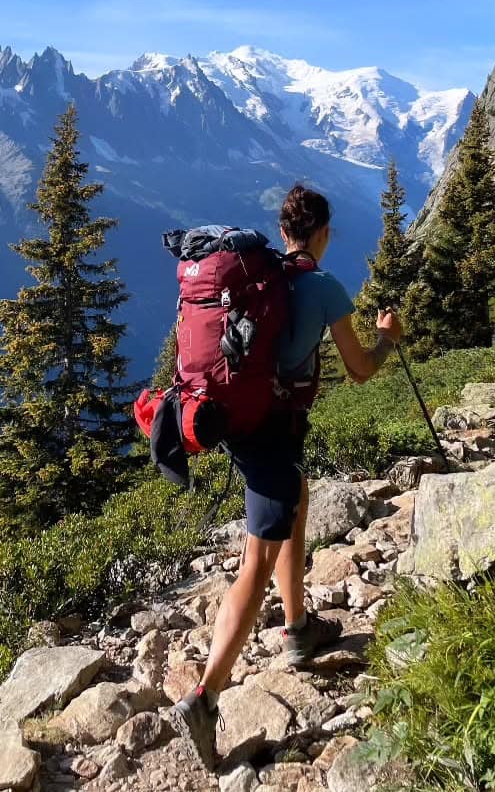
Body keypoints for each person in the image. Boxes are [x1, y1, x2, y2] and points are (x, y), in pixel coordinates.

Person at [171, 184, 401, 769]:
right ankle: (205, 697)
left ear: (282, 232)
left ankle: (297, 628)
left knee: (295, 496)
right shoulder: (322, 287)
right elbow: (360, 370)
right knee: (256, 560)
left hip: (237, 420)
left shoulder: (261, 277)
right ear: (322, 233)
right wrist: (387, 340)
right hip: (272, 431)